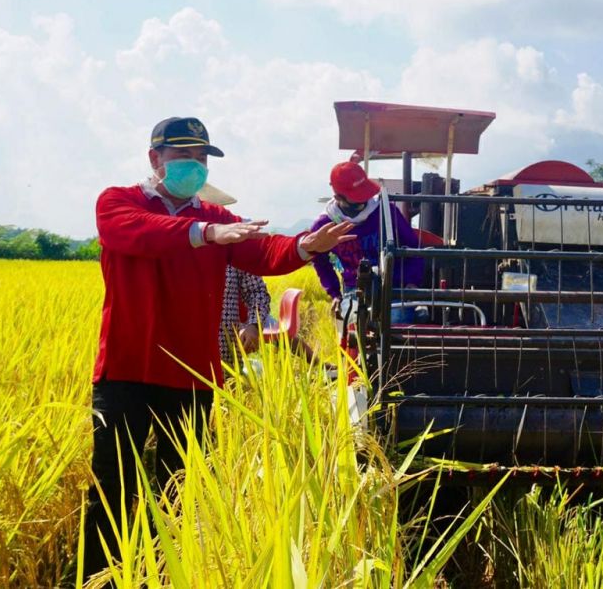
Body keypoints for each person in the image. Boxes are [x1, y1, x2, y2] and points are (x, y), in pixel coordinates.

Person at [83, 116, 353, 578]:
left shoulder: (214, 217)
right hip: (127, 370)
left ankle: (162, 575)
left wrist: (305, 247)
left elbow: (262, 252)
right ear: (155, 160)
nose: (195, 165)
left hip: (190, 376)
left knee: (178, 488)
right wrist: (204, 235)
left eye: (202, 157)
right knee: (113, 485)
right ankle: (96, 580)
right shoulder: (118, 203)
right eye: (183, 156)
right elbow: (138, 233)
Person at [309, 161, 423, 322]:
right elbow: (320, 262)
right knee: (353, 320)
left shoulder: (387, 212)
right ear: (338, 197)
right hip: (354, 290)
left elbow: (414, 247)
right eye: (357, 199)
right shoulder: (324, 226)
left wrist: (412, 281)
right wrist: (335, 294)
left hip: (395, 287)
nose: (363, 202)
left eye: (365, 196)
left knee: (396, 320)